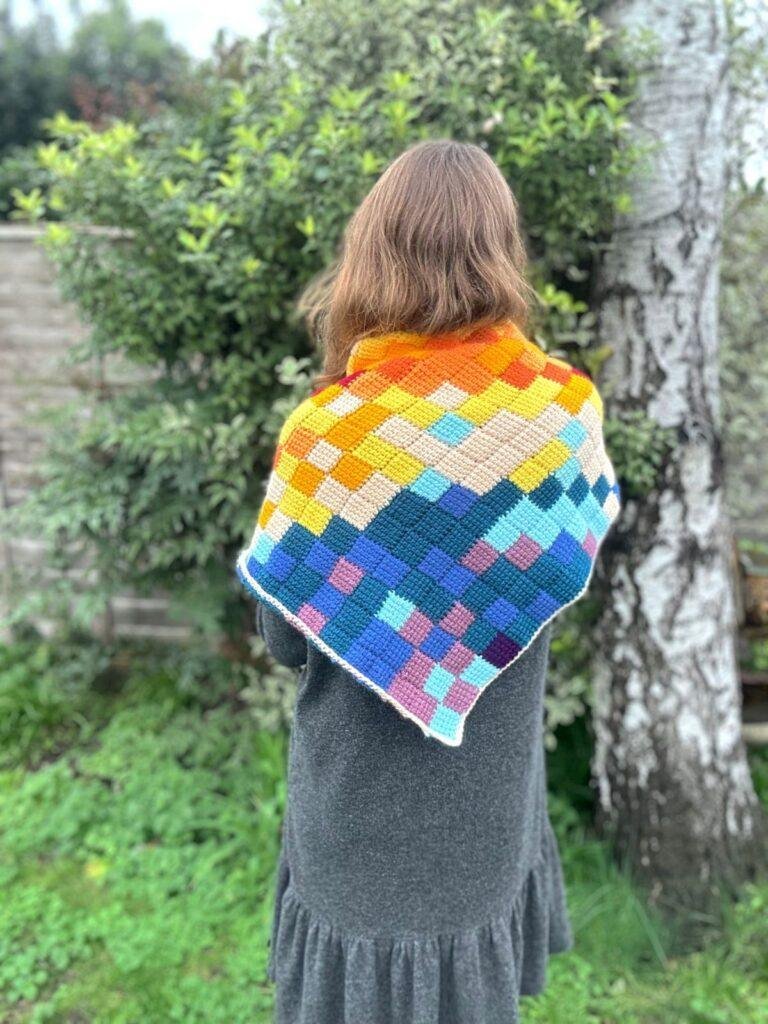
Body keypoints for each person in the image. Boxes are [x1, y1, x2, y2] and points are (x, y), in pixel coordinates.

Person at [237, 139, 620, 1024]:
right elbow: (558, 581)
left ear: (374, 250)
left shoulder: (332, 434)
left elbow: (287, 640)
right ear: (500, 251)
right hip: (488, 811)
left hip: (356, 822)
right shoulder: (561, 414)